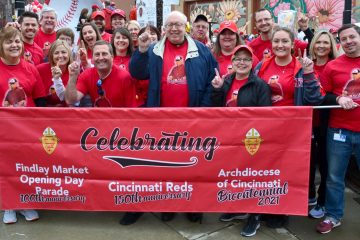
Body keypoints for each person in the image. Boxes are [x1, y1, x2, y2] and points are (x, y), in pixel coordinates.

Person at [120, 11, 218, 225]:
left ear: (186, 27)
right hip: (161, 120)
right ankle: (169, 205)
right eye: (170, 25)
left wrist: (202, 110)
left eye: (178, 25)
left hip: (192, 119)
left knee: (194, 167)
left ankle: (194, 207)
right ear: (164, 28)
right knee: (166, 167)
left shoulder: (202, 51)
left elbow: (213, 81)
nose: (174, 29)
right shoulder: (155, 50)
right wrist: (142, 51)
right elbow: (137, 72)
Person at [245, 26, 324, 235]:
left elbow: (316, 99)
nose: (280, 45)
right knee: (263, 168)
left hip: (291, 130)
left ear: (292, 44)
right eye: (276, 41)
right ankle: (260, 207)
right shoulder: (262, 65)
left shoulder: (302, 67)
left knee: (285, 170)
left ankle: (281, 208)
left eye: (284, 41)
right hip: (264, 128)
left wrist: (308, 75)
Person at [316, 24, 360, 234]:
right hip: (339, 131)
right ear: (340, 43)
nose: (349, 41)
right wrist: (339, 98)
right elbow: (322, 93)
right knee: (334, 177)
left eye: (352, 37)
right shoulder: (332, 66)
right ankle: (333, 215)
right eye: (344, 39)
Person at [0, 26, 46, 223]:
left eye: (17, 41)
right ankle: (8, 205)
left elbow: (40, 99)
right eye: (9, 41)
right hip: (3, 129)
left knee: (25, 166)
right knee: (6, 167)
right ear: (1, 46)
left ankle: (25, 202)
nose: (14, 45)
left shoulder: (30, 68)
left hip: (27, 129)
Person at [307, 29, 339, 219]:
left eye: (326, 43)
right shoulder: (306, 64)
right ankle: (309, 194)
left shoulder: (334, 66)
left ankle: (322, 201)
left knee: (326, 164)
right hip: (306, 123)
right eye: (318, 42)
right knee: (307, 163)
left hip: (327, 123)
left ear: (331, 46)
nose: (321, 46)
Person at [65, 40, 137, 108]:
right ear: (92, 58)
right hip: (96, 119)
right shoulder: (86, 75)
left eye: (104, 54)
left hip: (119, 119)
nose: (101, 57)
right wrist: (72, 77)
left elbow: (132, 109)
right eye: (97, 54)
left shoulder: (124, 77)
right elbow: (71, 100)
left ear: (112, 57)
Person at [249, 8, 313, 62]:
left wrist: (306, 29)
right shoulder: (252, 46)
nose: (263, 23)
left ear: (272, 20)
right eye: (260, 20)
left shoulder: (286, 41)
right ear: (256, 24)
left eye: (266, 19)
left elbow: (313, 47)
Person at [37, 40, 72, 107]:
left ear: (69, 54)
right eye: (56, 53)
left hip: (67, 113)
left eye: (64, 52)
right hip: (44, 112)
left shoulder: (73, 71)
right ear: (51, 55)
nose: (60, 56)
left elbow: (71, 100)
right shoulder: (40, 70)